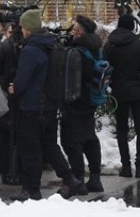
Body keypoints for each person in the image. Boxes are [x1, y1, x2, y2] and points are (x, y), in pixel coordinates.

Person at [11, 9, 84, 200]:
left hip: (32, 107)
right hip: (50, 105)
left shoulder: (30, 50)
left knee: (31, 149)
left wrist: (14, 88)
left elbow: (22, 82)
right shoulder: (50, 45)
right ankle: (69, 179)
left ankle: (31, 189)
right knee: (50, 145)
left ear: (27, 28)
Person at [105, 14, 140, 178]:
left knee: (121, 130)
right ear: (132, 27)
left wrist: (111, 84)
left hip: (118, 93)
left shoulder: (109, 45)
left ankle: (126, 167)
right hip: (138, 93)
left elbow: (103, 70)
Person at [62, 15, 105, 192]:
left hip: (77, 100)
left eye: (74, 28)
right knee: (89, 137)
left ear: (79, 32)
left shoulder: (78, 50)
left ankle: (78, 179)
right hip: (91, 98)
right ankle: (95, 177)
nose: (72, 31)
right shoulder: (95, 46)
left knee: (71, 140)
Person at [0, 21, 22, 188]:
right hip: (24, 99)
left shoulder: (3, 47)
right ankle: (20, 175)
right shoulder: (28, 46)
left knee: (2, 140)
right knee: (22, 139)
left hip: (5, 97)